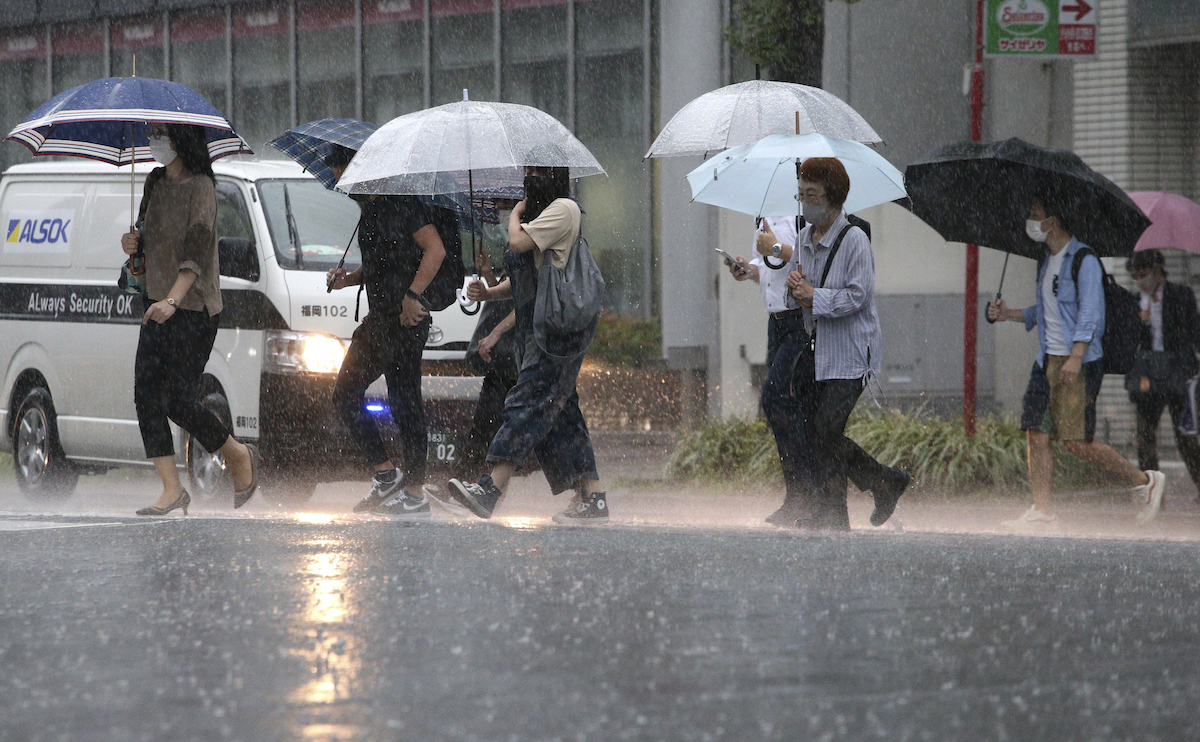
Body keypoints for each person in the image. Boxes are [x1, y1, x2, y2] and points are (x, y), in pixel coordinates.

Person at [987, 196, 1166, 525]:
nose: (1030, 220)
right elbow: (1050, 309)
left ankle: (1145, 481)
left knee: (1076, 442)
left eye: (1035, 214)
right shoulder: (1045, 260)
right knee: (1035, 433)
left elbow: (1091, 313)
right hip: (1046, 360)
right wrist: (1009, 314)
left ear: (1053, 221)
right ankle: (1043, 510)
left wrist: (1076, 356)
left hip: (1078, 363)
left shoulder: (1084, 260)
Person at [447, 166, 608, 524]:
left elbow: (518, 243)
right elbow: (529, 281)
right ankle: (593, 497)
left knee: (525, 403)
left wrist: (515, 214)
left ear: (555, 176)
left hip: (557, 334)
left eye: (538, 172)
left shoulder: (564, 208)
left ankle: (490, 488)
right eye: (528, 172)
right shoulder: (540, 217)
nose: (530, 179)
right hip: (539, 332)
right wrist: (489, 292)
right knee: (563, 414)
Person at [122, 123, 260, 516]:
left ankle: (237, 454)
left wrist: (173, 299)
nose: (154, 140)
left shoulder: (202, 187)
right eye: (151, 132)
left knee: (178, 400)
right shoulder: (153, 181)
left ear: (181, 139)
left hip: (195, 308)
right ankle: (172, 489)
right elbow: (145, 245)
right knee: (146, 395)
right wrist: (132, 245)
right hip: (156, 303)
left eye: (160, 133)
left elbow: (196, 251)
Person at [784, 157, 910, 530]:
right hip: (817, 351)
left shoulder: (854, 239)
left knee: (825, 430)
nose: (806, 203)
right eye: (801, 194)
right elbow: (796, 295)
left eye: (813, 195)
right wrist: (795, 290)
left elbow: (858, 295)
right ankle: (855, 499)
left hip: (851, 354)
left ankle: (875, 486)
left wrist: (814, 295)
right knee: (817, 432)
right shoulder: (802, 240)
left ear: (834, 197)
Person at [325, 145, 447, 518]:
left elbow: (436, 250)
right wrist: (348, 279)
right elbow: (380, 264)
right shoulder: (370, 211)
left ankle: (415, 493)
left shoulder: (404, 204)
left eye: (344, 176)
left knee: (405, 403)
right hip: (378, 321)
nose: (343, 185)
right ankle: (385, 473)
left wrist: (413, 295)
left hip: (406, 321)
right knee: (345, 394)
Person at [728, 216, 819, 527]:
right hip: (776, 323)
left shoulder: (804, 211)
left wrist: (776, 248)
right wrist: (748, 270)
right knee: (785, 405)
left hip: (799, 321)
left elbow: (815, 261)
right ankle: (799, 494)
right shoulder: (763, 211)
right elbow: (769, 267)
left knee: (776, 399)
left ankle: (807, 492)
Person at [1125, 249, 1200, 495]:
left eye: (1143, 274)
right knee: (1144, 435)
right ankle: (1152, 489)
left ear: (1157, 269)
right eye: (1135, 276)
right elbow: (1128, 340)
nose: (1140, 280)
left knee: (1185, 435)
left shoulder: (1181, 294)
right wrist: (1140, 322)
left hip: (1178, 374)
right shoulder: (1135, 301)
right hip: (1149, 377)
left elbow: (1192, 330)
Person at [452, 250, 519, 484]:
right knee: (485, 423)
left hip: (515, 358)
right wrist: (489, 276)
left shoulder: (529, 245)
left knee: (502, 425)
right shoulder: (518, 246)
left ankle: (482, 485)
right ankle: (468, 481)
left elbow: (525, 303)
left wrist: (495, 333)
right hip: (503, 361)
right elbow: (508, 299)